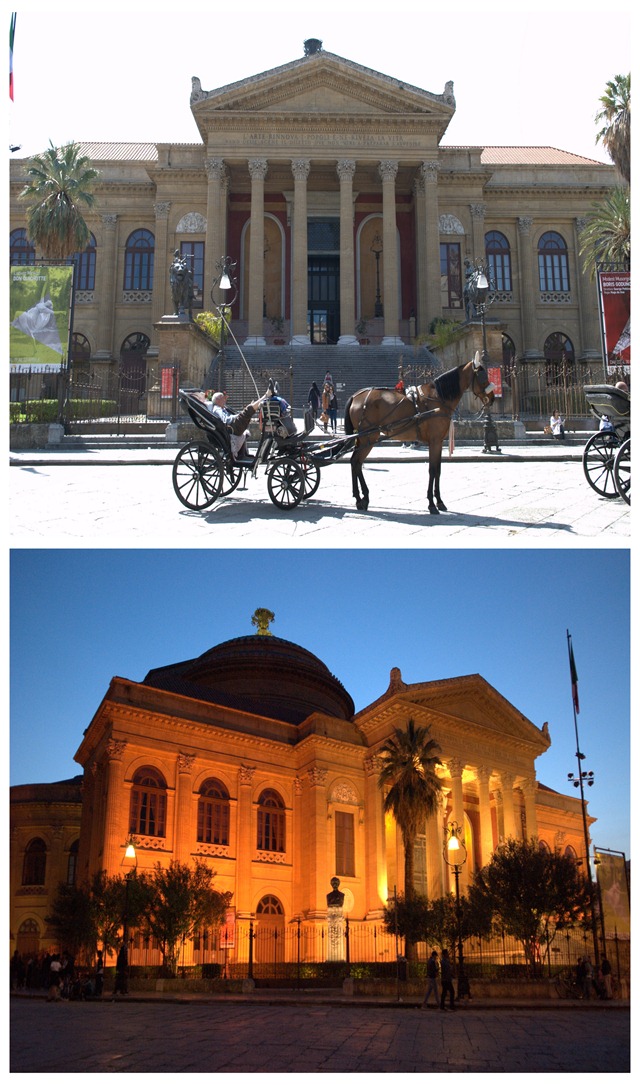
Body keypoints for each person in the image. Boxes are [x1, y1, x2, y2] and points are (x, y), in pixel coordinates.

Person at [200, 390, 265, 459]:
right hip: (230, 428)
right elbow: (226, 419)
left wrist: (238, 415)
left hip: (231, 426)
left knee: (246, 416)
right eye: (223, 399)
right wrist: (237, 416)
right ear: (218, 400)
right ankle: (265, 396)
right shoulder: (217, 409)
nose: (225, 400)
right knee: (248, 410)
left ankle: (242, 455)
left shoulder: (223, 409)